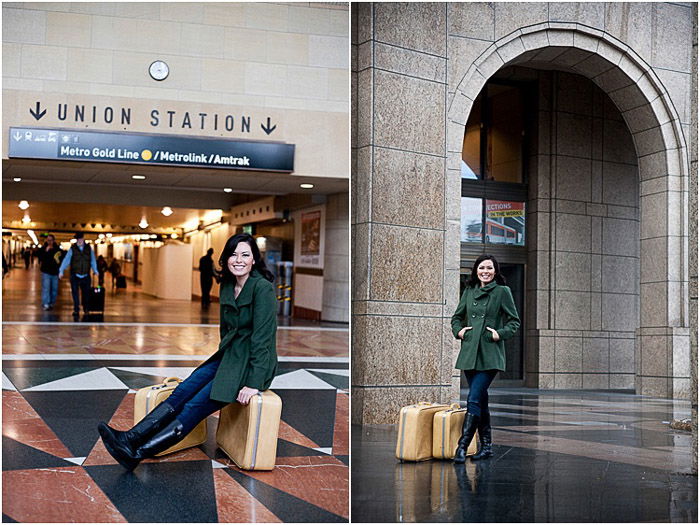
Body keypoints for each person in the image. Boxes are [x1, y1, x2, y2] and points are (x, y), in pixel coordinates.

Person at [97, 233, 278, 470]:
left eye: (245, 255)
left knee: (195, 405)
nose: (239, 260)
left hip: (251, 365)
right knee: (181, 392)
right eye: (233, 254)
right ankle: (130, 438)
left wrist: (253, 382)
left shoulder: (262, 289)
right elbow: (227, 331)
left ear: (254, 260)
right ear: (226, 258)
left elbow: (262, 340)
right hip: (228, 357)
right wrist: (222, 362)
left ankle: (138, 453)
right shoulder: (227, 285)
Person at [450, 254, 520, 463]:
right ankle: (487, 446)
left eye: (489, 268)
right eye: (482, 268)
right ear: (476, 271)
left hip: (490, 353)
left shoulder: (502, 292)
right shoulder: (469, 291)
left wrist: (498, 334)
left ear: (496, 271)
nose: (485, 271)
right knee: (481, 400)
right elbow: (456, 317)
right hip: (470, 352)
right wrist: (460, 332)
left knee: (473, 397)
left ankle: (462, 447)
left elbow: (513, 321)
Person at [58, 232, 99, 320]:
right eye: (78, 239)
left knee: (86, 294)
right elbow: (67, 260)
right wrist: (61, 270)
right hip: (75, 275)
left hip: (86, 275)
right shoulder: (73, 248)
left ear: (83, 239)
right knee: (75, 293)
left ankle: (86, 309)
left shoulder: (89, 248)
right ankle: (76, 309)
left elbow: (92, 260)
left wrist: (95, 270)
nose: (79, 241)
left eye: (80, 239)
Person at [38, 234, 62, 310]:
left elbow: (60, 259)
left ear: (54, 241)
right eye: (48, 240)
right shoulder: (43, 248)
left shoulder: (57, 249)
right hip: (46, 272)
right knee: (46, 288)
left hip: (55, 272)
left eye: (51, 240)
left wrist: (60, 270)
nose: (49, 242)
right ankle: (46, 303)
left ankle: (52, 302)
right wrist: (46, 251)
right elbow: (40, 258)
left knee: (54, 289)